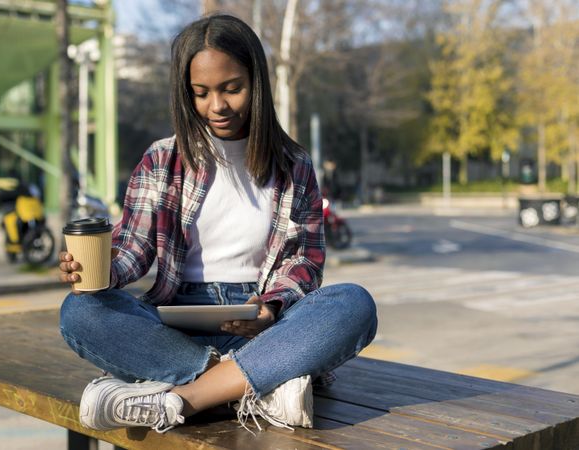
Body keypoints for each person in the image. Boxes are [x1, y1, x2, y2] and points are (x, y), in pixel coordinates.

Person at [58, 14, 377, 434]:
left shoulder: (294, 164)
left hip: (264, 325)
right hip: (175, 327)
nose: (217, 106)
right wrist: (97, 272)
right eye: (201, 93)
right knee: (79, 312)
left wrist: (270, 308)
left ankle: (183, 399)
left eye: (232, 88)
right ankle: (252, 385)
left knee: (353, 304)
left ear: (255, 83)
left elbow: (305, 262)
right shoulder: (161, 159)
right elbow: (133, 249)